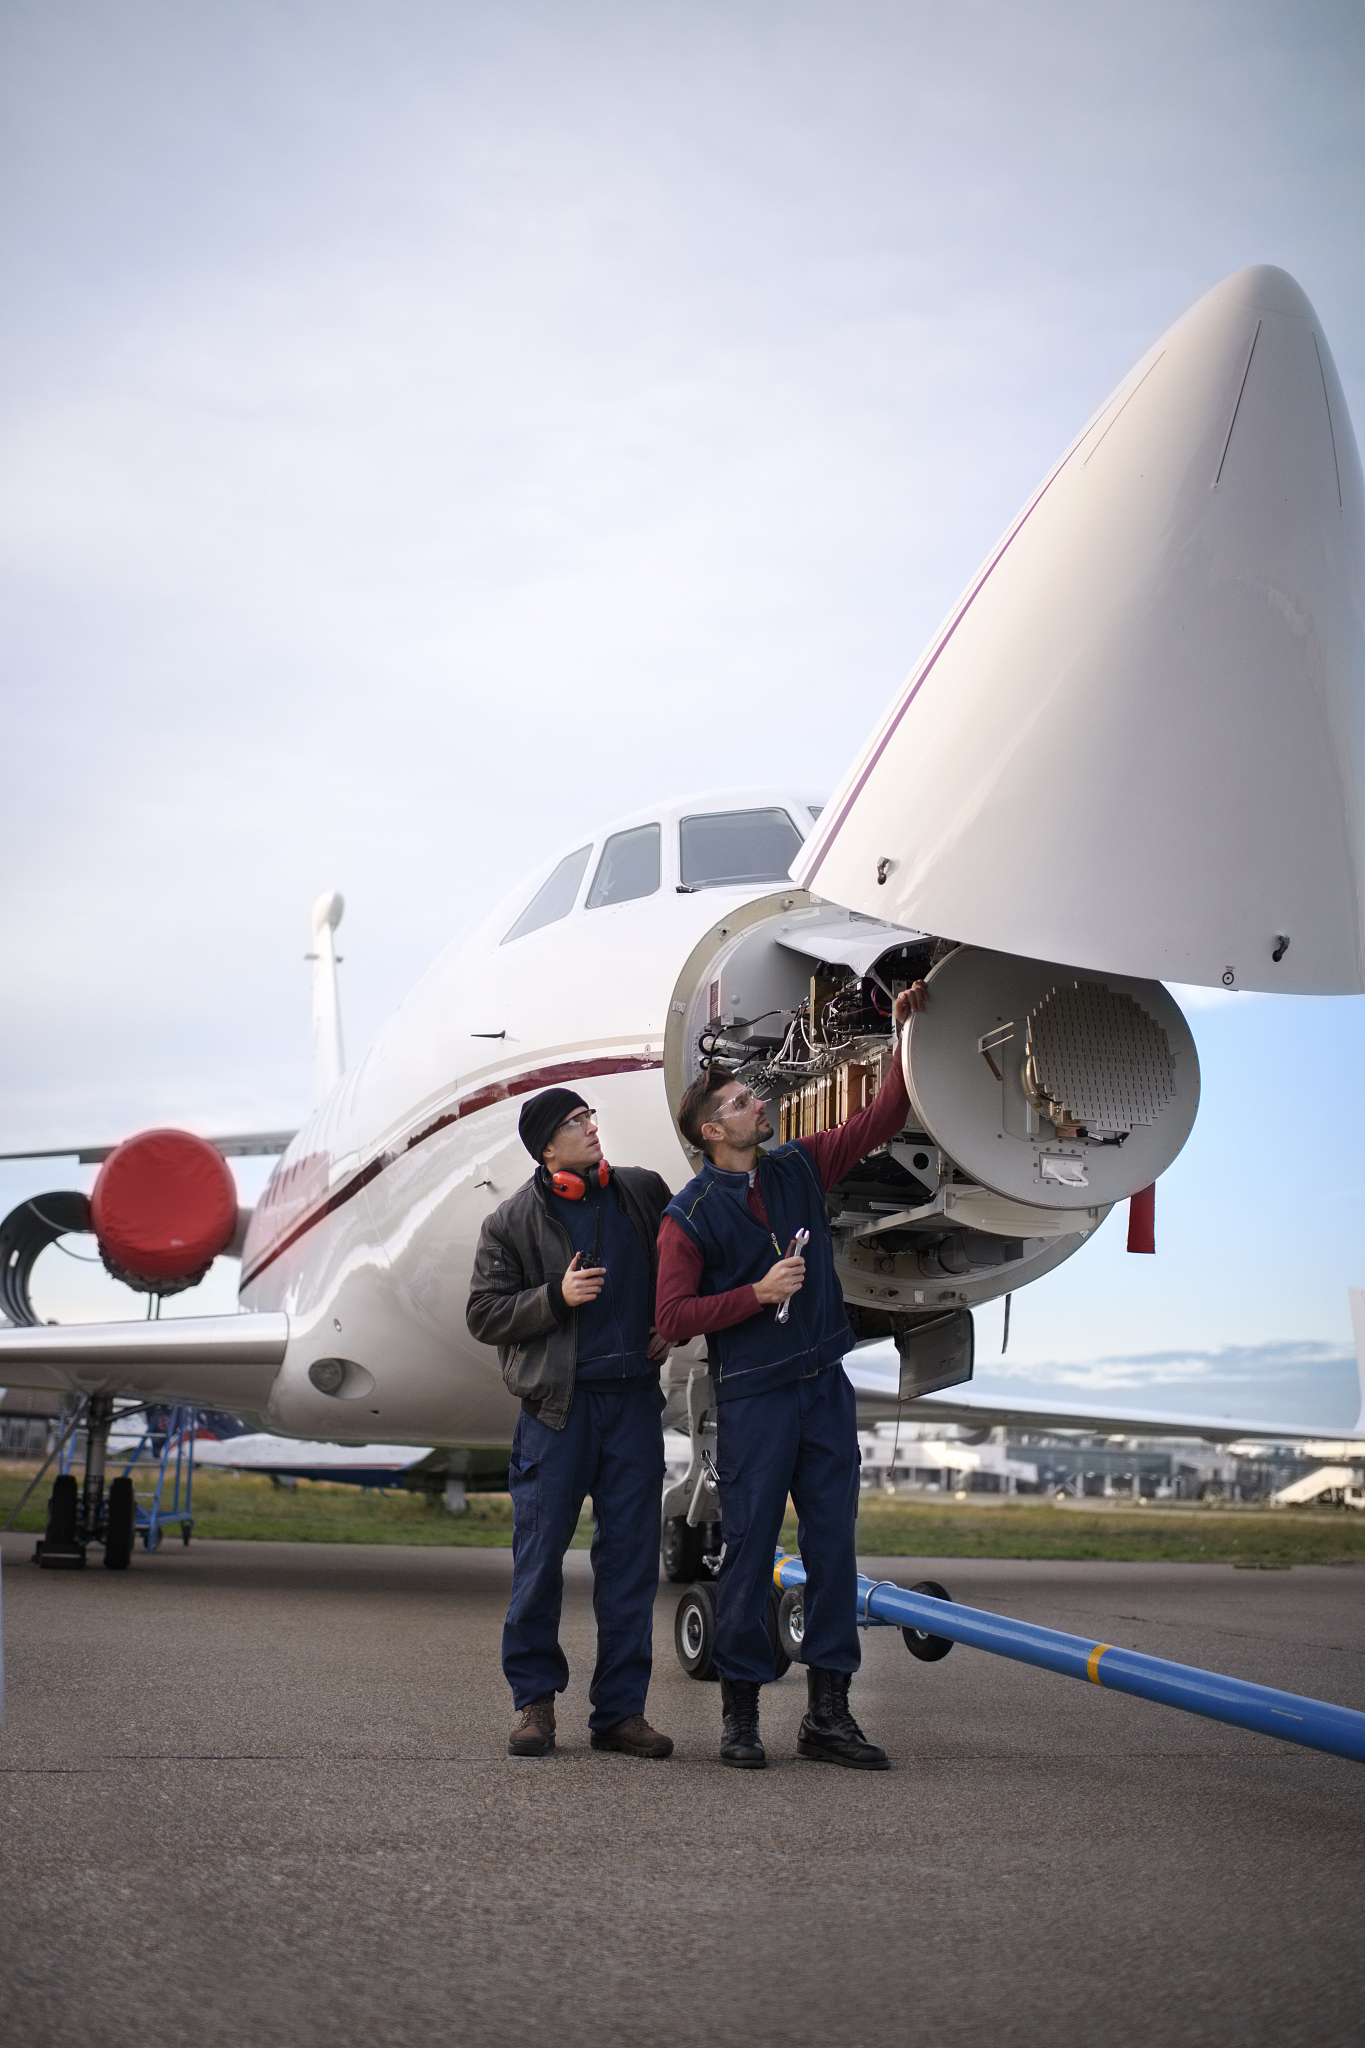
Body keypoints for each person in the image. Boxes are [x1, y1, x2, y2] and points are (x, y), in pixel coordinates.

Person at [654, 982, 927, 1771]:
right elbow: (671, 1318)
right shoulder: (687, 1217)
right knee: (746, 1552)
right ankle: (740, 1716)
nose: (759, 1103)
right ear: (714, 1130)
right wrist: (756, 1294)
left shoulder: (798, 1167)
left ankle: (827, 1717)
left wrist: (904, 1037)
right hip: (755, 1399)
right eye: (743, 1101)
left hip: (822, 1388)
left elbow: (882, 1118)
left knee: (833, 1548)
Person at [467, 1086, 675, 1761]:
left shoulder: (642, 1191)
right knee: (539, 1563)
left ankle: (620, 1714)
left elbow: (686, 1259)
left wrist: (671, 1319)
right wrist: (554, 1297)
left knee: (631, 1567)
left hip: (633, 1405)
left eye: (589, 1117)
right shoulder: (510, 1221)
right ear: (547, 1149)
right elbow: (484, 1314)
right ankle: (535, 1704)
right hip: (557, 1412)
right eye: (574, 1121)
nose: (589, 1127)